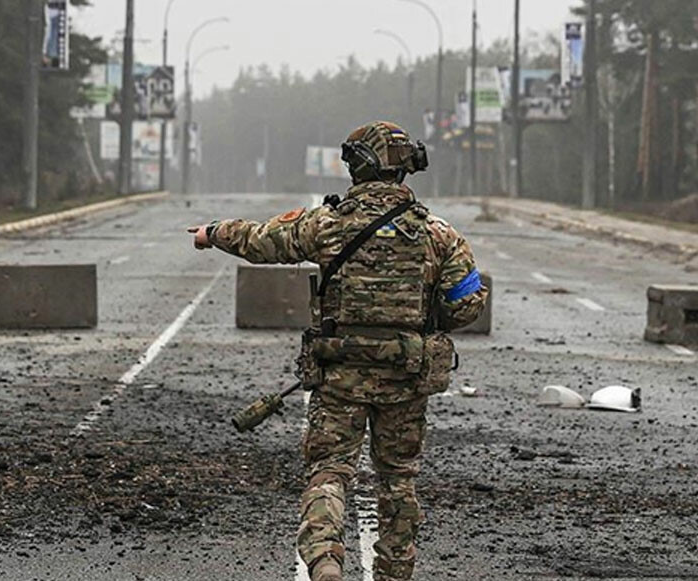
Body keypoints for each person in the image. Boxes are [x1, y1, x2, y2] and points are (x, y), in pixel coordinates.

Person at [189, 121, 488, 581]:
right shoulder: (438, 235)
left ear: (357, 166)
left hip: (339, 375)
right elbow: (467, 303)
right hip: (406, 378)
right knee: (398, 481)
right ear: (406, 169)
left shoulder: (327, 224)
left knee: (330, 470)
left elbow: (262, 240)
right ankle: (393, 574)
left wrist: (213, 231)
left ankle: (326, 561)